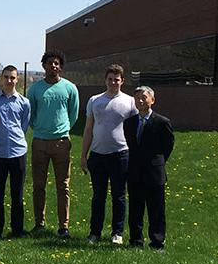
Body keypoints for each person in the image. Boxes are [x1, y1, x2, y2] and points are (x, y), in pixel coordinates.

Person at [80, 64, 137, 245]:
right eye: (110, 79)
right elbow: (88, 129)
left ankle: (117, 233)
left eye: (117, 79)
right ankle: (94, 233)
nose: (113, 82)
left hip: (120, 155)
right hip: (97, 155)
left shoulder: (130, 102)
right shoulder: (94, 100)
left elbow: (134, 131)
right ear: (105, 80)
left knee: (119, 196)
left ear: (122, 81)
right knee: (98, 196)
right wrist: (83, 155)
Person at [28, 51, 79, 237]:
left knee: (63, 185)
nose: (53, 66)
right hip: (40, 142)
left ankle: (63, 226)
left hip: (61, 143)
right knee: (38, 185)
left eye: (57, 63)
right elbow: (30, 114)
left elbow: (73, 115)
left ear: (61, 66)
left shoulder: (70, 88)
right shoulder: (35, 89)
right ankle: (39, 223)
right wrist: (40, 129)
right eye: (50, 63)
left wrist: (62, 130)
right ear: (44, 66)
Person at [123, 86, 174, 249]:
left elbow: (168, 145)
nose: (140, 100)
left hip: (154, 172)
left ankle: (157, 241)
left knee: (156, 209)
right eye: (137, 97)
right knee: (135, 208)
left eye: (144, 97)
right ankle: (136, 240)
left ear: (152, 100)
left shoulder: (162, 122)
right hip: (135, 172)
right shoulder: (129, 123)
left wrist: (158, 161)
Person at [0, 65, 31, 238]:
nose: (9, 80)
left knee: (17, 194)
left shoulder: (24, 102)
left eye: (12, 77)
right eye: (6, 77)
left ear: (17, 79)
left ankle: (17, 230)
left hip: (17, 152)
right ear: (1, 78)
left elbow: (24, 125)